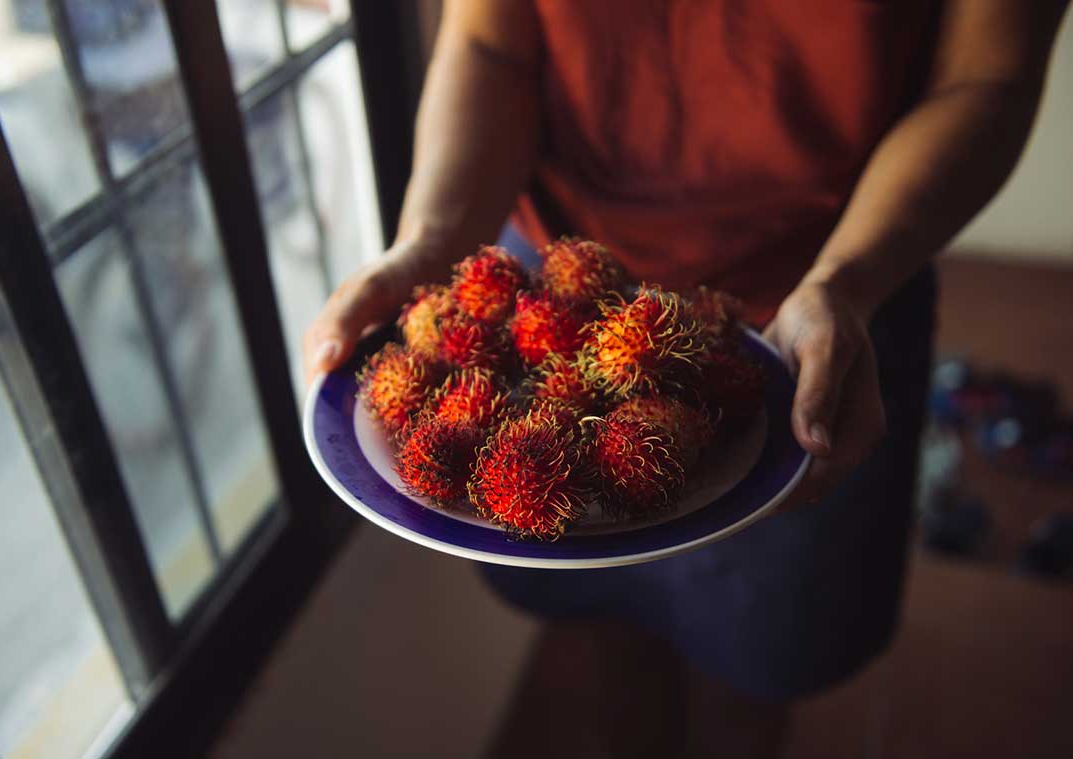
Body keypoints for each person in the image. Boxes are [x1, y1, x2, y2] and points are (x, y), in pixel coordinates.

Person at [305, 1, 1069, 755]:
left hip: (820, 307)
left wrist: (843, 282)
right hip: (552, 288)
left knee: (760, 654)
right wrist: (432, 240)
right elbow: (490, 43)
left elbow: (985, 78)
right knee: (594, 610)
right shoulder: (520, 362)